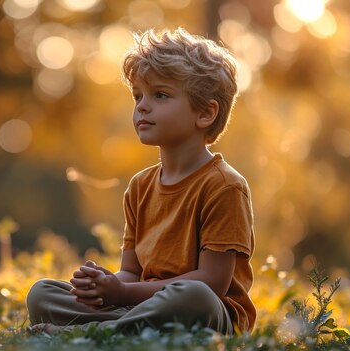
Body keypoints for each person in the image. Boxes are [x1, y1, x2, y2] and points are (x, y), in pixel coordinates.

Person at [26, 27, 256, 335]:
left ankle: (94, 334)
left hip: (207, 317)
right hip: (142, 307)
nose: (142, 106)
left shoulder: (224, 186)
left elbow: (212, 283)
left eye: (160, 95)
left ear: (205, 113)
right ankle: (116, 329)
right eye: (138, 96)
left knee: (194, 297)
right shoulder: (139, 186)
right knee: (43, 293)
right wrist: (103, 286)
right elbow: (131, 273)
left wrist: (122, 294)